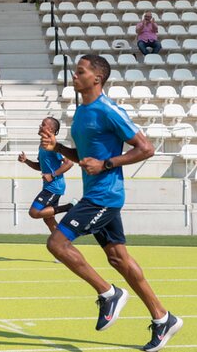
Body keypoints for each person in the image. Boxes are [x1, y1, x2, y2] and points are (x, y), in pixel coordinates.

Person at [41, 54, 183, 352]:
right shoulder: (81, 111)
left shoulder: (109, 111)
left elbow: (146, 149)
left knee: (57, 244)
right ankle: (163, 318)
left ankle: (108, 293)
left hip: (104, 196)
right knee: (120, 259)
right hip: (97, 193)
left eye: (80, 72)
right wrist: (59, 147)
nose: (75, 76)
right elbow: (86, 160)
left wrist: (107, 164)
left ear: (97, 78)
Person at [18, 117, 75, 233]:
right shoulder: (42, 145)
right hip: (49, 186)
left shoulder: (54, 145)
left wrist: (52, 175)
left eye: (43, 124)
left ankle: (70, 207)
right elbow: (40, 166)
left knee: (34, 213)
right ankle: (61, 241)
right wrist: (26, 161)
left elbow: (69, 163)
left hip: (54, 187)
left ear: (51, 129)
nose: (40, 126)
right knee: (48, 219)